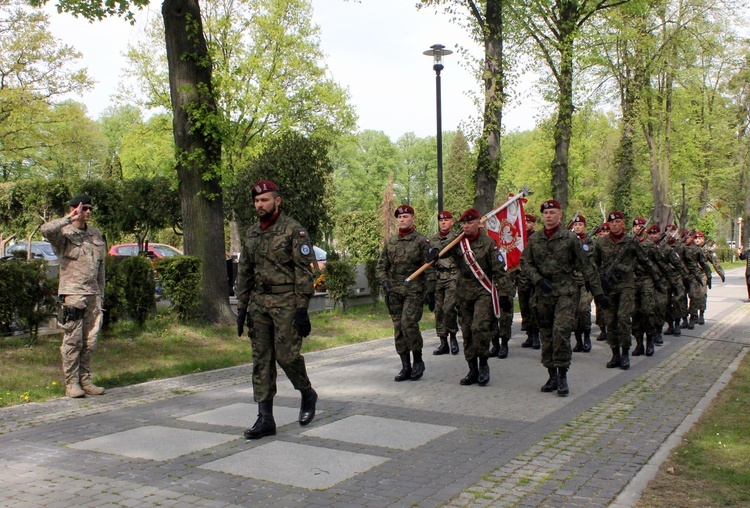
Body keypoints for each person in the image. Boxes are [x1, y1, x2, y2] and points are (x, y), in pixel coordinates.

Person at [235, 180, 319, 440]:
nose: (260, 205)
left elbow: (304, 271)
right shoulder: (251, 233)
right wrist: (242, 307)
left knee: (287, 357)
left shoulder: (294, 231)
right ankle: (265, 418)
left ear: (277, 201)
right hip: (259, 306)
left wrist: (302, 308)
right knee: (261, 360)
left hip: (286, 304)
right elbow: (245, 272)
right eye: (257, 201)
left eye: (265, 200)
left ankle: (307, 392)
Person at [521, 200, 607, 396]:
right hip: (543, 292)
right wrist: (538, 279)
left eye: (552, 212)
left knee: (561, 332)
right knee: (547, 335)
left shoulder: (569, 239)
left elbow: (587, 266)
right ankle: (551, 374)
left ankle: (562, 375)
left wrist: (598, 293)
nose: (549, 216)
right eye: (546, 213)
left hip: (565, 292)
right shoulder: (535, 239)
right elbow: (525, 263)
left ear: (560, 215)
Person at [41, 194, 107, 398]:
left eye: (89, 209)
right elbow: (45, 230)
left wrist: (101, 294)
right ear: (74, 208)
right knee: (73, 340)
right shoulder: (64, 233)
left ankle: (85, 380)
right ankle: (71, 383)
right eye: (84, 208)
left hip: (93, 295)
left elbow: (101, 268)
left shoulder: (95, 235)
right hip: (73, 294)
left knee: (90, 340)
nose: (87, 212)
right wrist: (69, 218)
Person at [444, 208, 513, 386]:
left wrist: (505, 294)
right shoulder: (458, 242)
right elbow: (442, 251)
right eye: (464, 223)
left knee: (479, 328)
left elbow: (499, 271)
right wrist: (434, 252)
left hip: (483, 291)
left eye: (469, 222)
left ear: (478, 223)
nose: (466, 226)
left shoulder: (489, 243)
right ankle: (472, 368)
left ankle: (483, 364)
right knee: (466, 331)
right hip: (463, 292)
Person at [591, 211, 660, 370]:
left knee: (623, 318)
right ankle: (615, 354)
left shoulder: (631, 242)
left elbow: (645, 261)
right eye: (611, 222)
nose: (614, 225)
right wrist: (598, 281)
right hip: (608, 287)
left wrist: (656, 279)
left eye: (618, 222)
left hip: (626, 285)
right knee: (610, 320)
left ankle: (624, 353)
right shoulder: (601, 243)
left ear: (623, 223)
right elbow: (593, 264)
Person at [376, 204, 436, 382]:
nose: (402, 220)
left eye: (406, 217)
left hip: (414, 289)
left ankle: (418, 360)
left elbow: (430, 267)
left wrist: (431, 290)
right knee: (398, 327)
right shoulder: (391, 242)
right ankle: (405, 366)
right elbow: (381, 265)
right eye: (400, 218)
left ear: (413, 219)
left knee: (408, 323)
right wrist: (384, 281)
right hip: (394, 290)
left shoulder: (421, 241)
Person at [430, 211, 460, 356]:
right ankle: (443, 341)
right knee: (438, 310)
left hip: (453, 276)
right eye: (441, 220)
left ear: (452, 222)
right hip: (438, 278)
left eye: (447, 220)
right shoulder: (432, 239)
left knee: (449, 308)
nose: (443, 222)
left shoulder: (456, 238)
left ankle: (453, 336)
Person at [570, 214, 594, 353]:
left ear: (584, 226)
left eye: (580, 225)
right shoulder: (570, 241)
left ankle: (587, 337)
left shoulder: (590, 242)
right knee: (574, 311)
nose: (577, 227)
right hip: (573, 280)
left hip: (586, 280)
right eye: (575, 225)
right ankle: (578, 341)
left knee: (583, 309)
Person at [518, 214, 540, 350]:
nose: (526, 224)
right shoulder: (518, 238)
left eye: (529, 222)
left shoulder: (537, 238)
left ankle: (537, 335)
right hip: (521, 278)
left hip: (535, 278)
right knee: (524, 307)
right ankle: (529, 334)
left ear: (534, 224)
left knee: (535, 307)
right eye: (524, 222)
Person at [694, 232, 725, 325]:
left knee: (702, 294)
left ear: (703, 239)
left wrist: (721, 273)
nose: (697, 240)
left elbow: (715, 262)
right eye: (695, 238)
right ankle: (694, 314)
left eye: (699, 238)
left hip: (703, 274)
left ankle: (701, 314)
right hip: (692, 274)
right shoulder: (690, 248)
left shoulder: (707, 250)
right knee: (693, 294)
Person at [594, 222, 611, 342]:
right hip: (599, 279)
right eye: (602, 232)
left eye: (607, 231)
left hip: (612, 281)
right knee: (599, 306)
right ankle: (603, 329)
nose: (604, 234)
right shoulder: (597, 246)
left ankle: (611, 329)